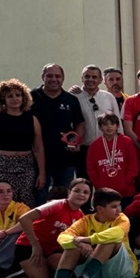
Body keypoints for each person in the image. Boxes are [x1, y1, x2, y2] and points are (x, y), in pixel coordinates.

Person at [37, 188, 138, 278]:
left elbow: (117, 234)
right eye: (114, 207)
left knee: (110, 238)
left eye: (119, 206)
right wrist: (76, 242)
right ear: (100, 209)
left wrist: (88, 240)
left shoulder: (122, 219)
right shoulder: (85, 221)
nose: (119, 210)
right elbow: (62, 237)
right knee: (72, 244)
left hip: (120, 274)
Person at [0, 179, 91, 278]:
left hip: (50, 251)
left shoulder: (80, 216)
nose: (81, 194)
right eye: (77, 191)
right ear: (69, 192)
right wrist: (35, 245)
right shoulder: (57, 205)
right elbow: (24, 219)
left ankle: (27, 272)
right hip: (28, 246)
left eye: (85, 192)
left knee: (68, 269)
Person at [0, 79, 45, 207]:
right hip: (1, 167)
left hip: (26, 167)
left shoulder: (32, 119)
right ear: (3, 99)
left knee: (26, 204)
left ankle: (23, 227)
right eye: (10, 96)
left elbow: (38, 148)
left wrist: (42, 173)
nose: (15, 99)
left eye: (18, 95)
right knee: (3, 203)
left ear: (23, 97)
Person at [28, 64, 85, 198]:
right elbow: (13, 109)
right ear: (43, 77)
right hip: (38, 159)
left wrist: (75, 141)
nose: (54, 79)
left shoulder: (71, 100)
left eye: (57, 76)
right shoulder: (30, 98)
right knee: (39, 199)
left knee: (63, 199)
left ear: (63, 78)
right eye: (50, 76)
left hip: (65, 158)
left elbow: (80, 123)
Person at [86, 112, 140, 200]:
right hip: (104, 192)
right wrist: (99, 185)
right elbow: (91, 169)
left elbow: (133, 165)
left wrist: (126, 182)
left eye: (112, 123)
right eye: (105, 124)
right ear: (100, 127)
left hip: (126, 191)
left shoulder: (126, 142)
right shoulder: (94, 145)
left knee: (126, 213)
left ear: (117, 126)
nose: (109, 127)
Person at [0, 181, 30, 274]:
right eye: (0, 192)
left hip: (11, 245)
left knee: (19, 233)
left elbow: (28, 222)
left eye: (9, 191)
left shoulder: (20, 207)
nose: (5, 194)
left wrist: (6, 233)